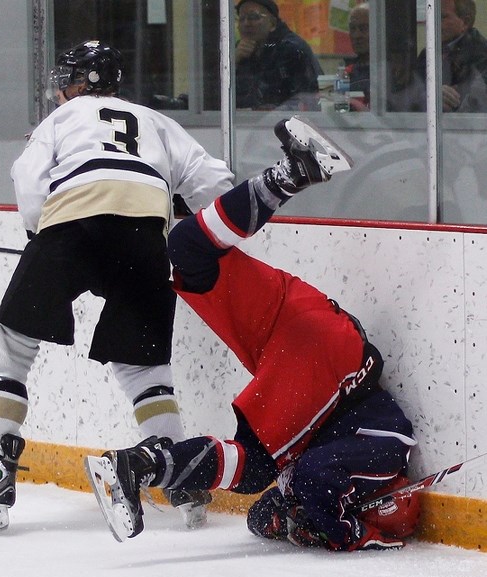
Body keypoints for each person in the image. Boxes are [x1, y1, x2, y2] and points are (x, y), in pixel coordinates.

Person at [87, 116, 420, 551]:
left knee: (257, 464)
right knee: (257, 464)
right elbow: (197, 220)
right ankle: (144, 466)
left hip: (314, 348)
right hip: (314, 347)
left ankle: (144, 466)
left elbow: (193, 229)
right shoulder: (196, 264)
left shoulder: (194, 264)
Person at [0, 40, 234, 531]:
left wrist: (41, 236)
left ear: (80, 84)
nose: (61, 89)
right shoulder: (155, 120)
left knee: (11, 347)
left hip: (70, 229)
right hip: (146, 238)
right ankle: (182, 479)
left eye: (66, 79)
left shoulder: (59, 120)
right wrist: (165, 210)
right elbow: (217, 186)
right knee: (145, 367)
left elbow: (29, 181)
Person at [235, 0, 323, 110]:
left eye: (253, 17)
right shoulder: (239, 50)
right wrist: (233, 62)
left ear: (272, 23)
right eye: (241, 19)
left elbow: (307, 98)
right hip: (245, 121)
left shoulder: (292, 49)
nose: (246, 24)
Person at [416, 0, 487, 112]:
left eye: (442, 17)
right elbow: (411, 93)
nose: (432, 23)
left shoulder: (481, 54)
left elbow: (477, 103)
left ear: (465, 22)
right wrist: (429, 96)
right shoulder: (427, 54)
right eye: (430, 16)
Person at [345, 3, 371, 111]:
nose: (357, 35)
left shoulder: (390, 71)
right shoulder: (348, 72)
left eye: (363, 28)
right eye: (353, 29)